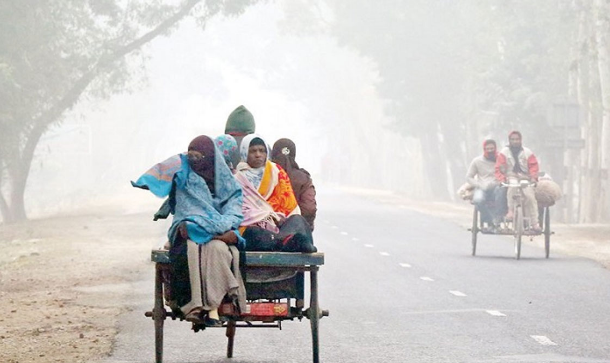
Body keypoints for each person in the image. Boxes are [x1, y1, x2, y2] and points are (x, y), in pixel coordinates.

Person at [132, 135, 247, 326]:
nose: (194, 161)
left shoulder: (227, 182)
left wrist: (221, 227)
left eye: (198, 157)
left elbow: (234, 211)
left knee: (218, 250)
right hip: (191, 227)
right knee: (192, 248)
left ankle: (213, 305)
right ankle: (194, 305)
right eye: (191, 157)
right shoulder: (184, 176)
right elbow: (186, 209)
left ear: (210, 158)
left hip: (220, 231)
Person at [234, 134, 316, 253]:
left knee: (298, 219)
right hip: (252, 227)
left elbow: (288, 204)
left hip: (278, 225)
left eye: (262, 151)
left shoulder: (277, 172)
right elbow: (237, 210)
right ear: (244, 153)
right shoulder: (236, 179)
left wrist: (275, 218)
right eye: (253, 151)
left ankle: (282, 240)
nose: (258, 155)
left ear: (267, 153)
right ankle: (286, 241)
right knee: (253, 232)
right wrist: (264, 216)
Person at [495, 130, 541, 231]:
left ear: (520, 140)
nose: (515, 141)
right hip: (511, 177)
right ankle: (511, 211)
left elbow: (533, 166)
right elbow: (499, 168)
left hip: (525, 177)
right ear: (509, 140)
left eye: (517, 139)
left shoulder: (527, 152)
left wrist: (533, 178)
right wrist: (502, 179)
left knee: (529, 196)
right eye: (513, 139)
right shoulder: (504, 153)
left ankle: (534, 222)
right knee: (512, 187)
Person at [271, 138, 317, 230]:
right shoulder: (304, 178)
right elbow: (309, 208)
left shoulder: (265, 175)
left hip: (268, 231)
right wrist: (306, 226)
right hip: (296, 232)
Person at [466, 139, 502, 230]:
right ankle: (490, 220)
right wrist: (478, 184)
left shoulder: (501, 160)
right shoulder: (477, 161)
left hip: (496, 187)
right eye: (487, 149)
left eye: (492, 148)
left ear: (495, 148)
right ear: (484, 149)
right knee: (477, 200)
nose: (490, 151)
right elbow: (469, 177)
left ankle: (498, 218)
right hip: (481, 187)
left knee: (501, 196)